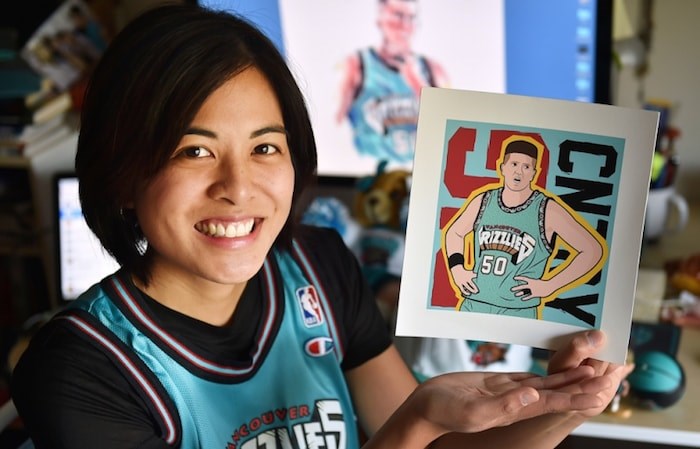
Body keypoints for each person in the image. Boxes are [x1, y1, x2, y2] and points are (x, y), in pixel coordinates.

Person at [11, 4, 631, 449]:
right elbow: (412, 435)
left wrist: (563, 405)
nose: (239, 188)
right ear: (123, 174)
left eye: (264, 148)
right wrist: (417, 421)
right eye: (192, 151)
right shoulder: (78, 371)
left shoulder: (317, 264)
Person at [444, 136, 607, 319]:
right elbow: (455, 232)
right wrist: (457, 268)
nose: (519, 172)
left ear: (534, 173)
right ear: (502, 167)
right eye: (514, 164)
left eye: (526, 167)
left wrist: (550, 285)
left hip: (517, 312)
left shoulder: (547, 209)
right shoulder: (484, 200)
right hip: (474, 304)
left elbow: (592, 250)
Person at [336, 0, 449, 164]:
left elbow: (451, 132)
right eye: (398, 15)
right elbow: (334, 125)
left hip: (421, 176)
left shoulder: (432, 70)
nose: (405, 25)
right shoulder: (356, 65)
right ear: (380, 18)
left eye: (412, 18)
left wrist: (418, 84)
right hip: (370, 179)